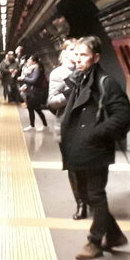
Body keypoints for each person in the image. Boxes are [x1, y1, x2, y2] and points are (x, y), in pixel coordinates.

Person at [59, 36, 130, 260]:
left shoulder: (105, 82)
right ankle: (114, 235)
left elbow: (124, 114)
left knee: (95, 195)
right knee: (86, 196)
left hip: (95, 149)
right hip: (79, 148)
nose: (78, 59)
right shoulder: (79, 79)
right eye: (76, 54)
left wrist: (96, 133)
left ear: (96, 57)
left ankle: (95, 242)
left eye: (83, 55)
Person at [47, 39, 87, 220]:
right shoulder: (59, 73)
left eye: (78, 50)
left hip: (89, 125)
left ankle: (89, 198)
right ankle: (81, 203)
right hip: (68, 125)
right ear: (64, 53)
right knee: (73, 166)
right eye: (71, 50)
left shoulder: (89, 71)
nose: (75, 53)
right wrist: (69, 92)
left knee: (89, 166)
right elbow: (51, 103)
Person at [18, 56, 48, 130]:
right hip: (31, 91)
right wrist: (25, 86)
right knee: (32, 109)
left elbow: (33, 80)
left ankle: (43, 125)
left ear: (34, 62)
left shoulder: (37, 69)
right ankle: (34, 125)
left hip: (35, 93)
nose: (28, 60)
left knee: (36, 109)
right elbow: (31, 82)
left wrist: (23, 78)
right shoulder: (32, 69)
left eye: (29, 59)